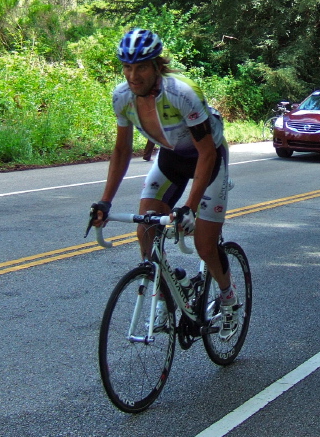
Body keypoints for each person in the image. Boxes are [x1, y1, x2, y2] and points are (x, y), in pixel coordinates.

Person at [88, 28, 238, 338]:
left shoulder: (182, 93)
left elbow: (207, 153)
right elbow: (121, 150)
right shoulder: (123, 97)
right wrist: (105, 202)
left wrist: (189, 208)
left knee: (204, 244)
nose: (133, 75)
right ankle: (166, 288)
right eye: (127, 67)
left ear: (157, 65)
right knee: (145, 227)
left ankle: (228, 299)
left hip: (207, 160)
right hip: (171, 158)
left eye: (141, 66)